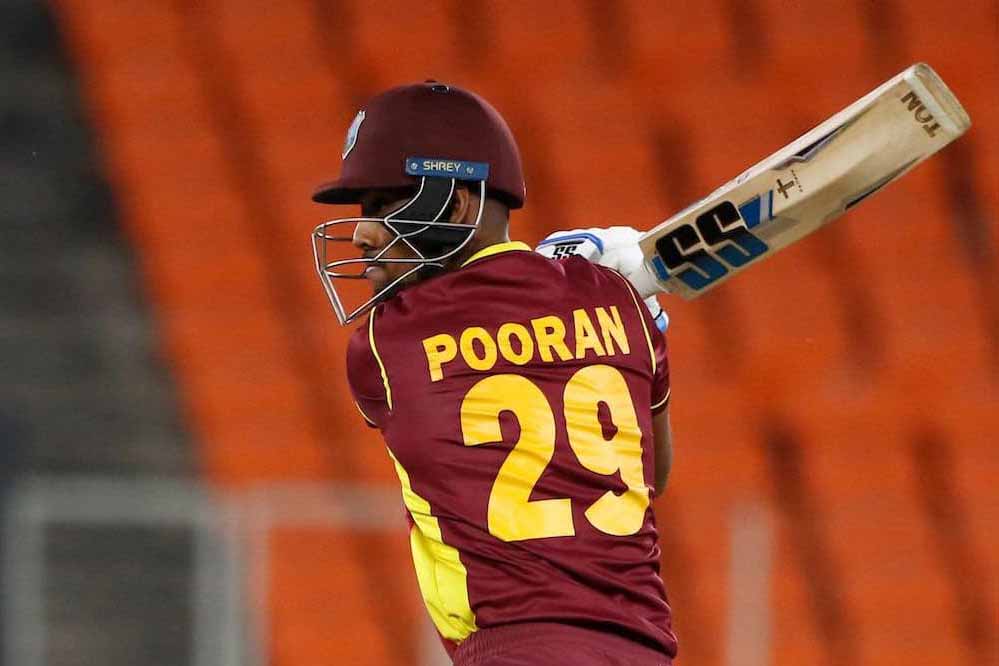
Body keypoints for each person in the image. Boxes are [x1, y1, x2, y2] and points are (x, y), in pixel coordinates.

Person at [312, 81, 676, 666]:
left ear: (457, 205)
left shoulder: (385, 343)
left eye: (383, 206)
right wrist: (626, 301)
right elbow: (653, 471)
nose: (362, 234)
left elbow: (482, 322)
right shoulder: (619, 303)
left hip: (512, 649)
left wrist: (561, 280)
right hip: (640, 651)